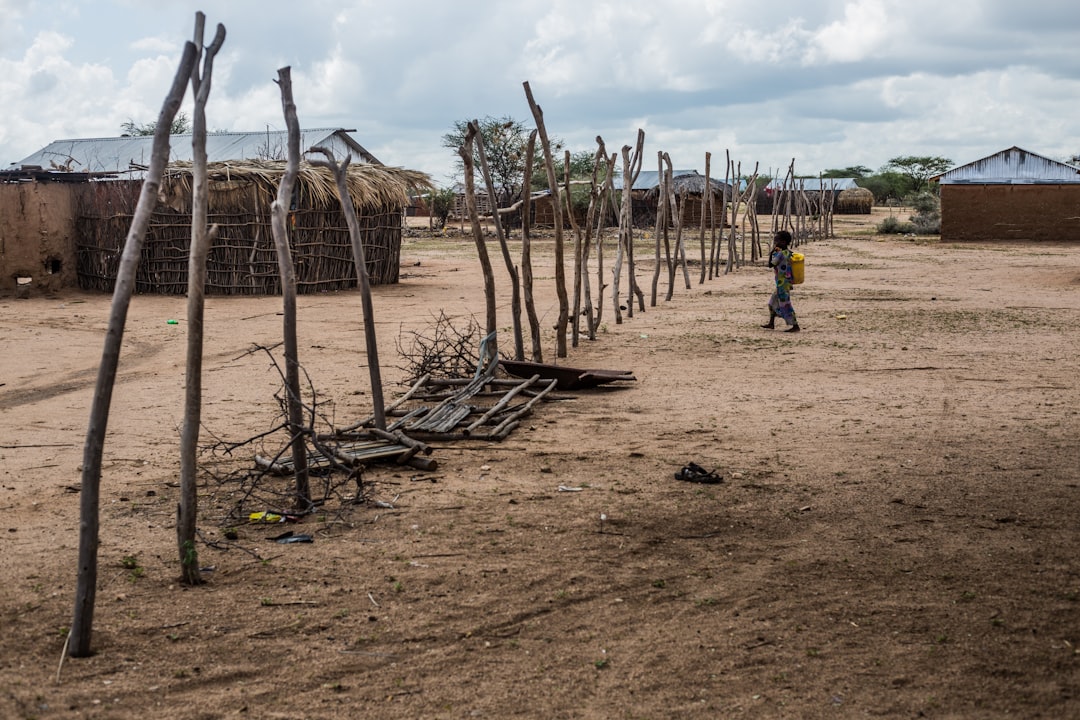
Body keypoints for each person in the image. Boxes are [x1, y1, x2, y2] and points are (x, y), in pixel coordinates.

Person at [762, 230, 800, 332]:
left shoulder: (780, 254)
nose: (775, 242)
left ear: (783, 242)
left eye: (777, 240)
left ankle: (795, 326)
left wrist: (771, 253)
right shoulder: (788, 253)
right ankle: (771, 323)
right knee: (772, 303)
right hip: (784, 282)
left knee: (786, 305)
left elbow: (771, 264)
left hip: (782, 283)